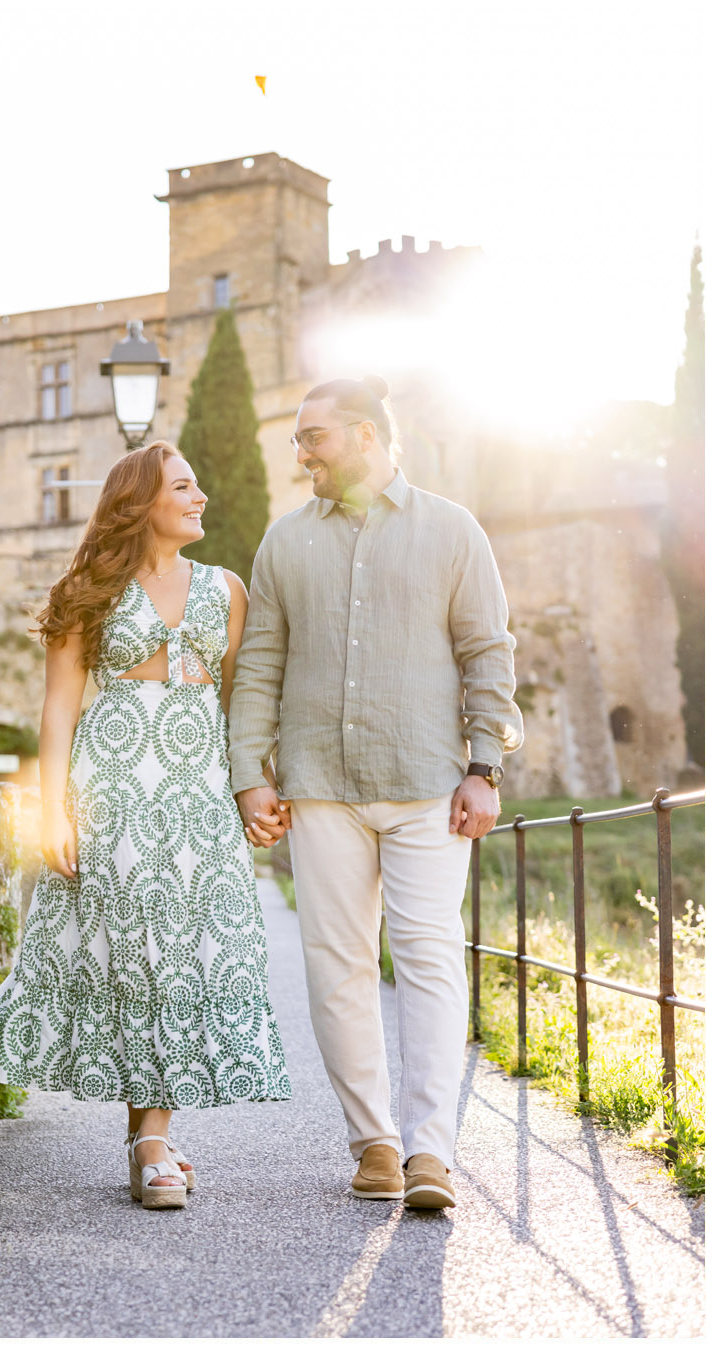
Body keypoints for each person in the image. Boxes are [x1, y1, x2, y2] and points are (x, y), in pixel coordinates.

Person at [0, 442, 292, 1210]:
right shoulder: (88, 590)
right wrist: (51, 808)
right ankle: (151, 1140)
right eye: (184, 485)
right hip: (113, 795)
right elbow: (58, 708)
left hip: (196, 800)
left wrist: (255, 787)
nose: (201, 496)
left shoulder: (227, 588)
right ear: (140, 501)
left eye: (198, 484)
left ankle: (151, 1134)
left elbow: (241, 704)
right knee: (137, 958)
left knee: (186, 956)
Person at [229, 375, 522, 1209]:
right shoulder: (284, 542)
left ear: (364, 434)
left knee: (430, 958)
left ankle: (432, 1151)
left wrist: (485, 768)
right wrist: (249, 773)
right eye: (298, 438)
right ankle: (376, 1144)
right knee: (338, 966)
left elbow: (487, 652)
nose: (301, 453)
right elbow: (260, 666)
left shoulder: (453, 530)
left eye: (312, 436)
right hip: (319, 787)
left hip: (430, 783)